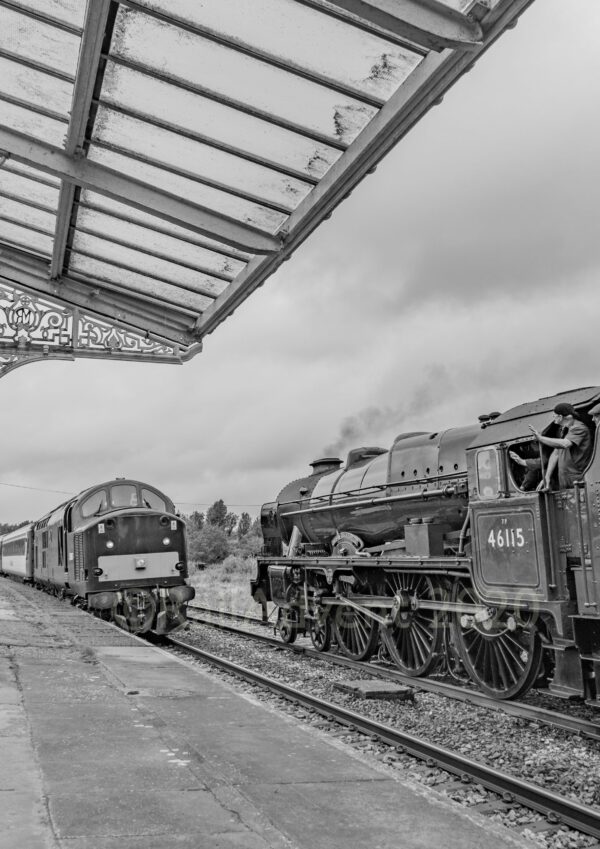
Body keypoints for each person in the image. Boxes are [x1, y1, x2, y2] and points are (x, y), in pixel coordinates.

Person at [529, 402, 592, 490]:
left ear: (560, 417)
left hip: (577, 480)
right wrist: (547, 477)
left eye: (554, 415)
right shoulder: (565, 429)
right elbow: (556, 453)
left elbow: (565, 444)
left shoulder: (579, 428)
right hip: (566, 479)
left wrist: (540, 438)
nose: (553, 417)